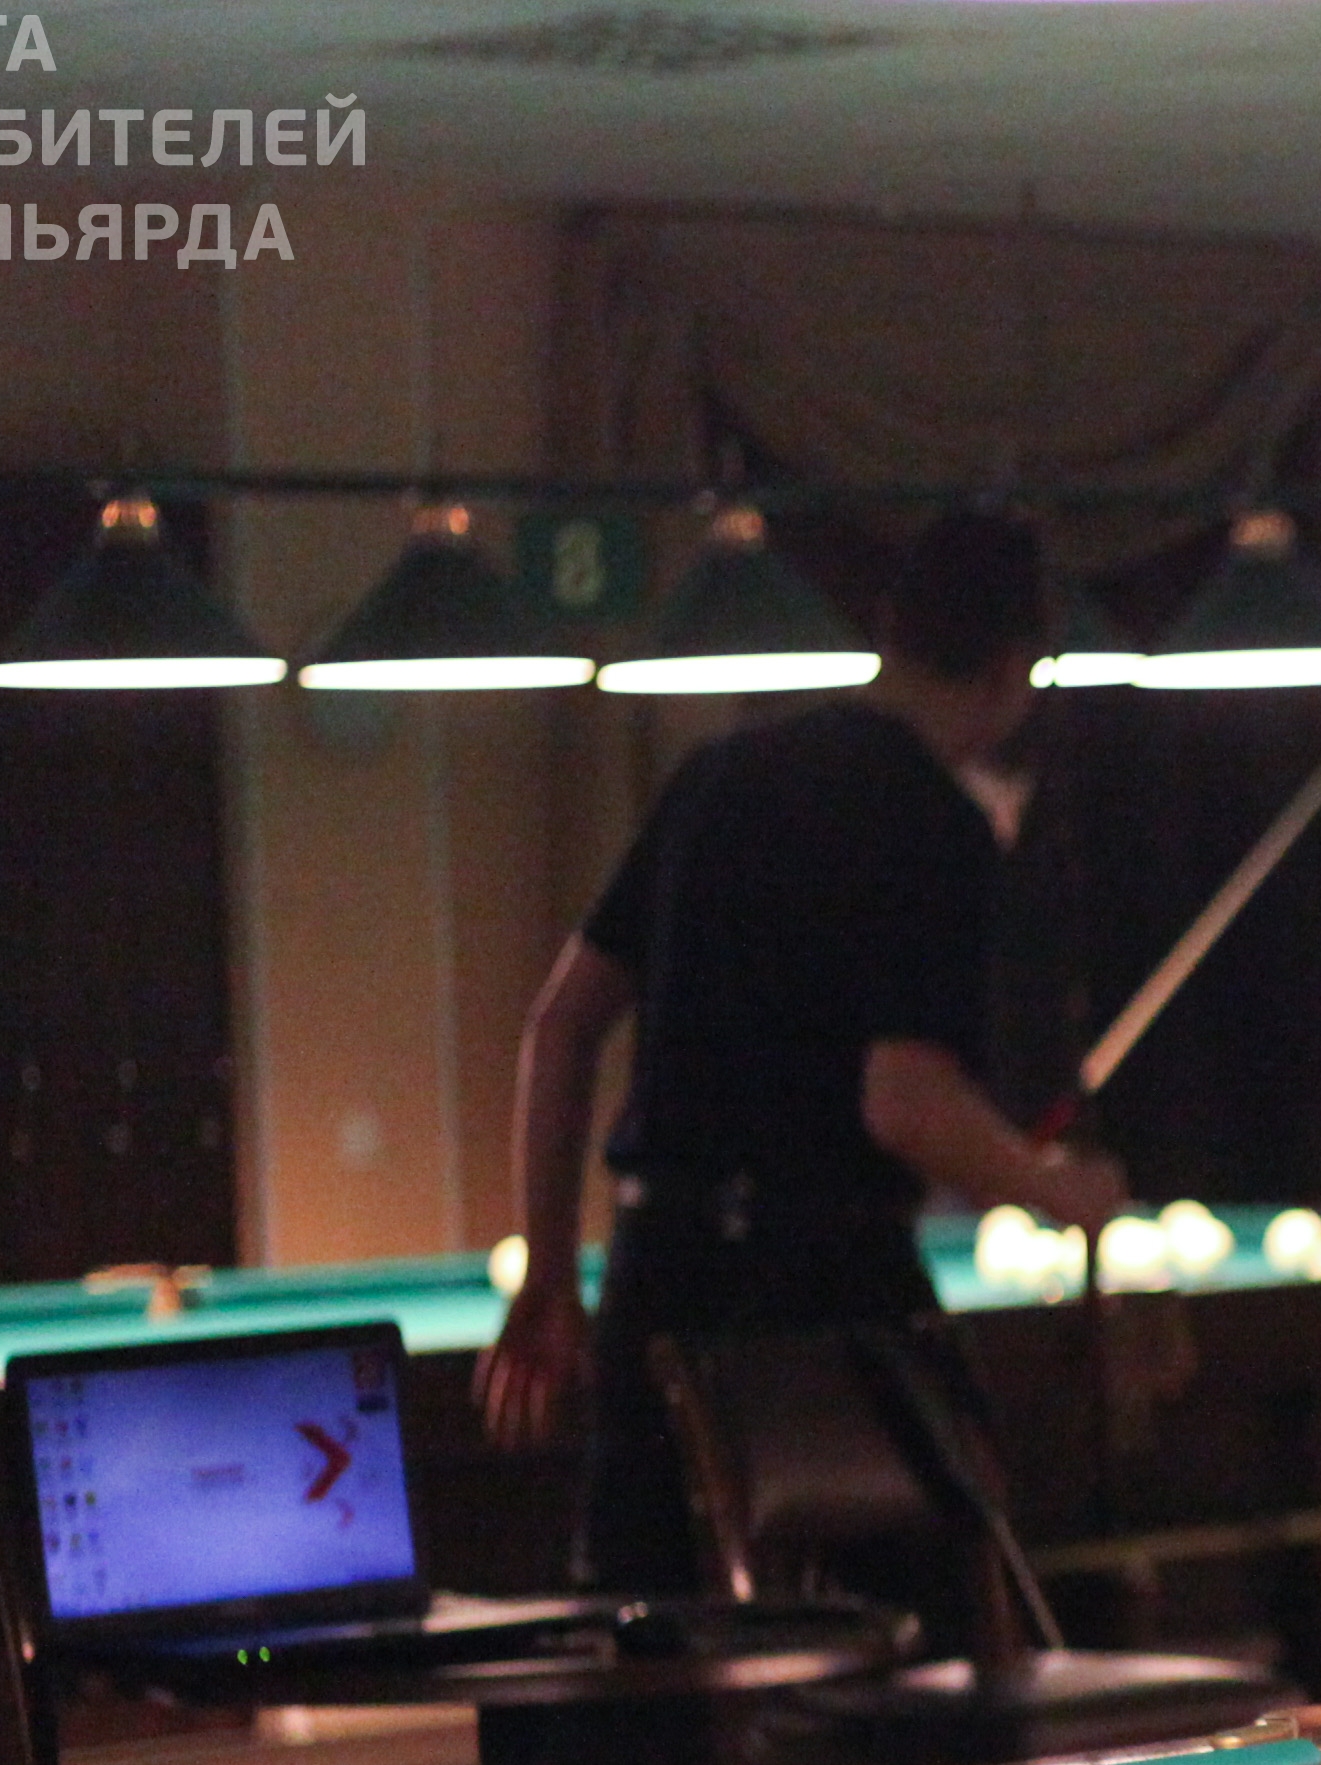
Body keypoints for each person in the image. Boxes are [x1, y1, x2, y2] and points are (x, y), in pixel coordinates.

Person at [478, 509, 1121, 1590]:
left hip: (657, 1271)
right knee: (930, 1628)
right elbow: (904, 1102)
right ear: (1015, 668)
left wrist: (547, 1271)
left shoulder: (716, 777)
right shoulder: (939, 824)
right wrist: (1060, 1191)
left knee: (643, 1623)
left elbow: (560, 1026)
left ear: (888, 630)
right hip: (824, 1290)